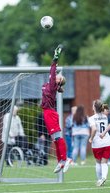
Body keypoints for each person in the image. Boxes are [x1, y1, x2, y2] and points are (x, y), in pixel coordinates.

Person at [41, 45, 72, 173]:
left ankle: (65, 159)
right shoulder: (50, 84)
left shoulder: (53, 84)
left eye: (58, 76)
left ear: (58, 81)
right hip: (47, 113)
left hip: (50, 113)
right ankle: (61, 161)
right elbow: (52, 73)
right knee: (55, 139)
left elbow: (53, 69)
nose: (57, 75)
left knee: (58, 138)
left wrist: (56, 57)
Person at [88, 100, 110, 187]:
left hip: (98, 143)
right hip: (108, 142)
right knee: (104, 162)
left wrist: (91, 138)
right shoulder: (105, 117)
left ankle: (100, 179)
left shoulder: (91, 118)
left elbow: (94, 129)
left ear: (94, 107)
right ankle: (104, 178)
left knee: (98, 162)